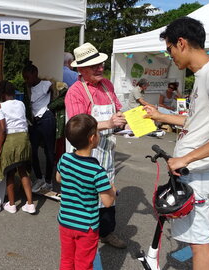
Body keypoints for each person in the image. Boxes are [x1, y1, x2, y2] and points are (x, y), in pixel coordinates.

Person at [144, 17, 209, 270]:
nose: (171, 57)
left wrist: (186, 159)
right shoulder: (204, 74)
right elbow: (196, 120)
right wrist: (160, 116)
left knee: (200, 244)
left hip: (196, 172)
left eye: (169, 50)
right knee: (197, 242)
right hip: (191, 172)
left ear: (181, 43)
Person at [65, 42, 127, 249]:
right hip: (86, 152)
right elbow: (78, 126)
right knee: (88, 197)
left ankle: (107, 232)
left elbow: (118, 109)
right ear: (80, 69)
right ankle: (85, 235)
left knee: (108, 193)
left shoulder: (107, 85)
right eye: (94, 66)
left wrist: (127, 119)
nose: (100, 68)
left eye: (100, 64)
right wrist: (108, 123)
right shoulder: (75, 92)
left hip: (107, 149)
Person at [56, 114, 116, 269]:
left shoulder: (64, 159)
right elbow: (108, 202)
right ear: (92, 138)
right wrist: (113, 189)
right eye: (97, 132)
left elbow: (59, 178)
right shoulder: (97, 171)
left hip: (66, 221)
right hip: (86, 227)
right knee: (84, 264)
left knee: (66, 260)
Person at [0, 80, 35, 214]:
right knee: (23, 171)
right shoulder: (21, 104)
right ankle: (30, 204)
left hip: (11, 140)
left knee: (10, 172)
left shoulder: (0, 106)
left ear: (1, 94)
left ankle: (12, 205)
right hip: (24, 138)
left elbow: (2, 129)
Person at [22, 61, 56, 192]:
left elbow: (61, 93)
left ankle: (48, 180)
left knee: (48, 150)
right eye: (24, 77)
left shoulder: (46, 84)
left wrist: (50, 107)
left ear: (35, 73)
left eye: (28, 77)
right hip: (34, 122)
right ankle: (39, 178)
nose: (26, 80)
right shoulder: (27, 88)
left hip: (47, 119)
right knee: (32, 150)